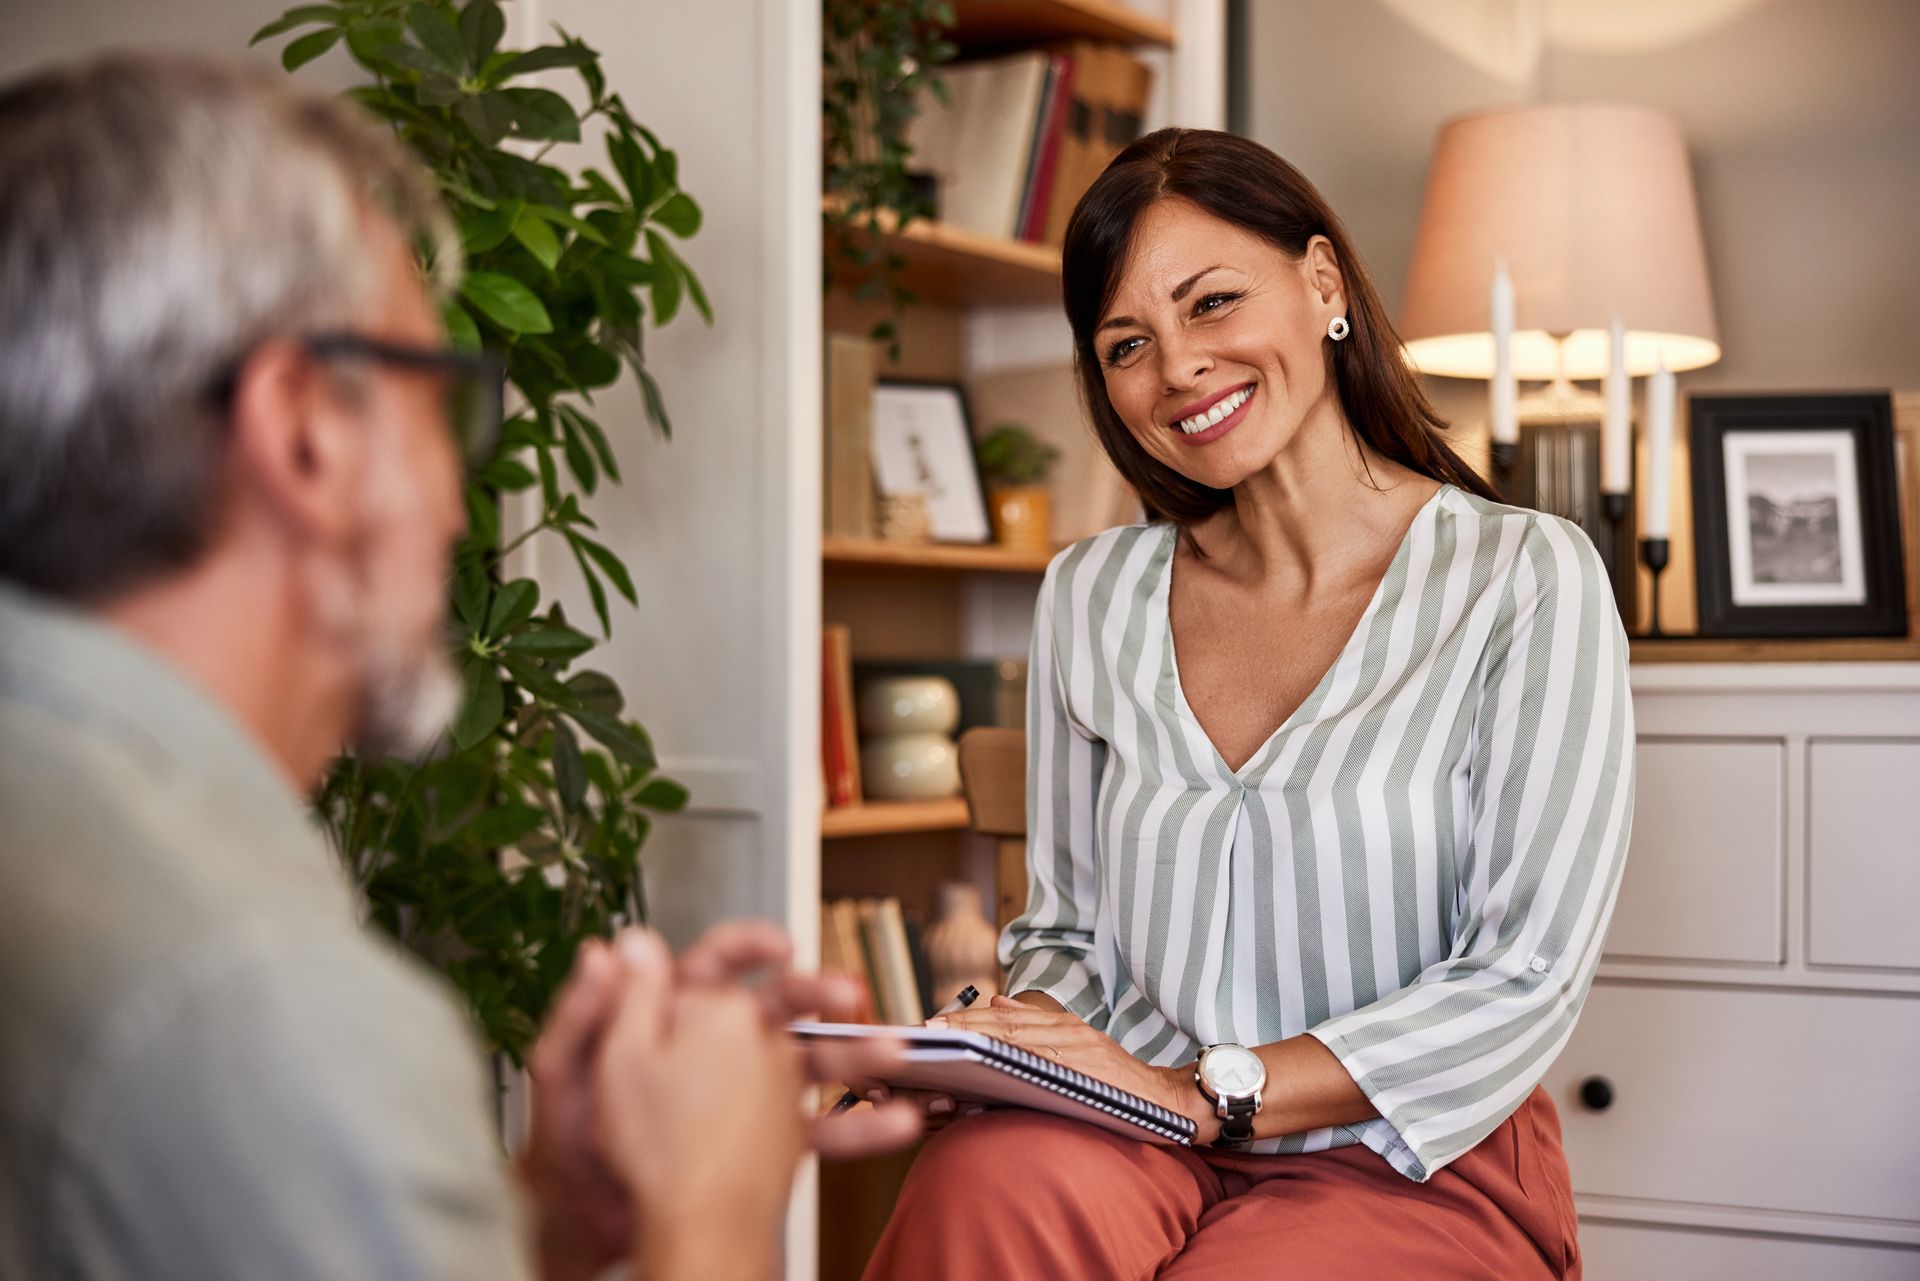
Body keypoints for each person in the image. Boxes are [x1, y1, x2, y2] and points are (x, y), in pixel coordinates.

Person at [0, 53, 915, 1281]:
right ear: (308, 436)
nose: (458, 503)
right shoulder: (267, 1004)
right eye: (440, 402)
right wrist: (710, 1215)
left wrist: (545, 1215)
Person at [862, 128, 1633, 1279]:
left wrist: (1201, 1094)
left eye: (1212, 303)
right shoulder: (1091, 592)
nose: (1177, 368)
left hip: (1408, 1155)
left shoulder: (1526, 578)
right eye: (1129, 343)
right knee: (978, 1187)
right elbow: (1069, 934)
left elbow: (1521, 977)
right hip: (1124, 1123)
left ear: (1322, 281)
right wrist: (1006, 1044)